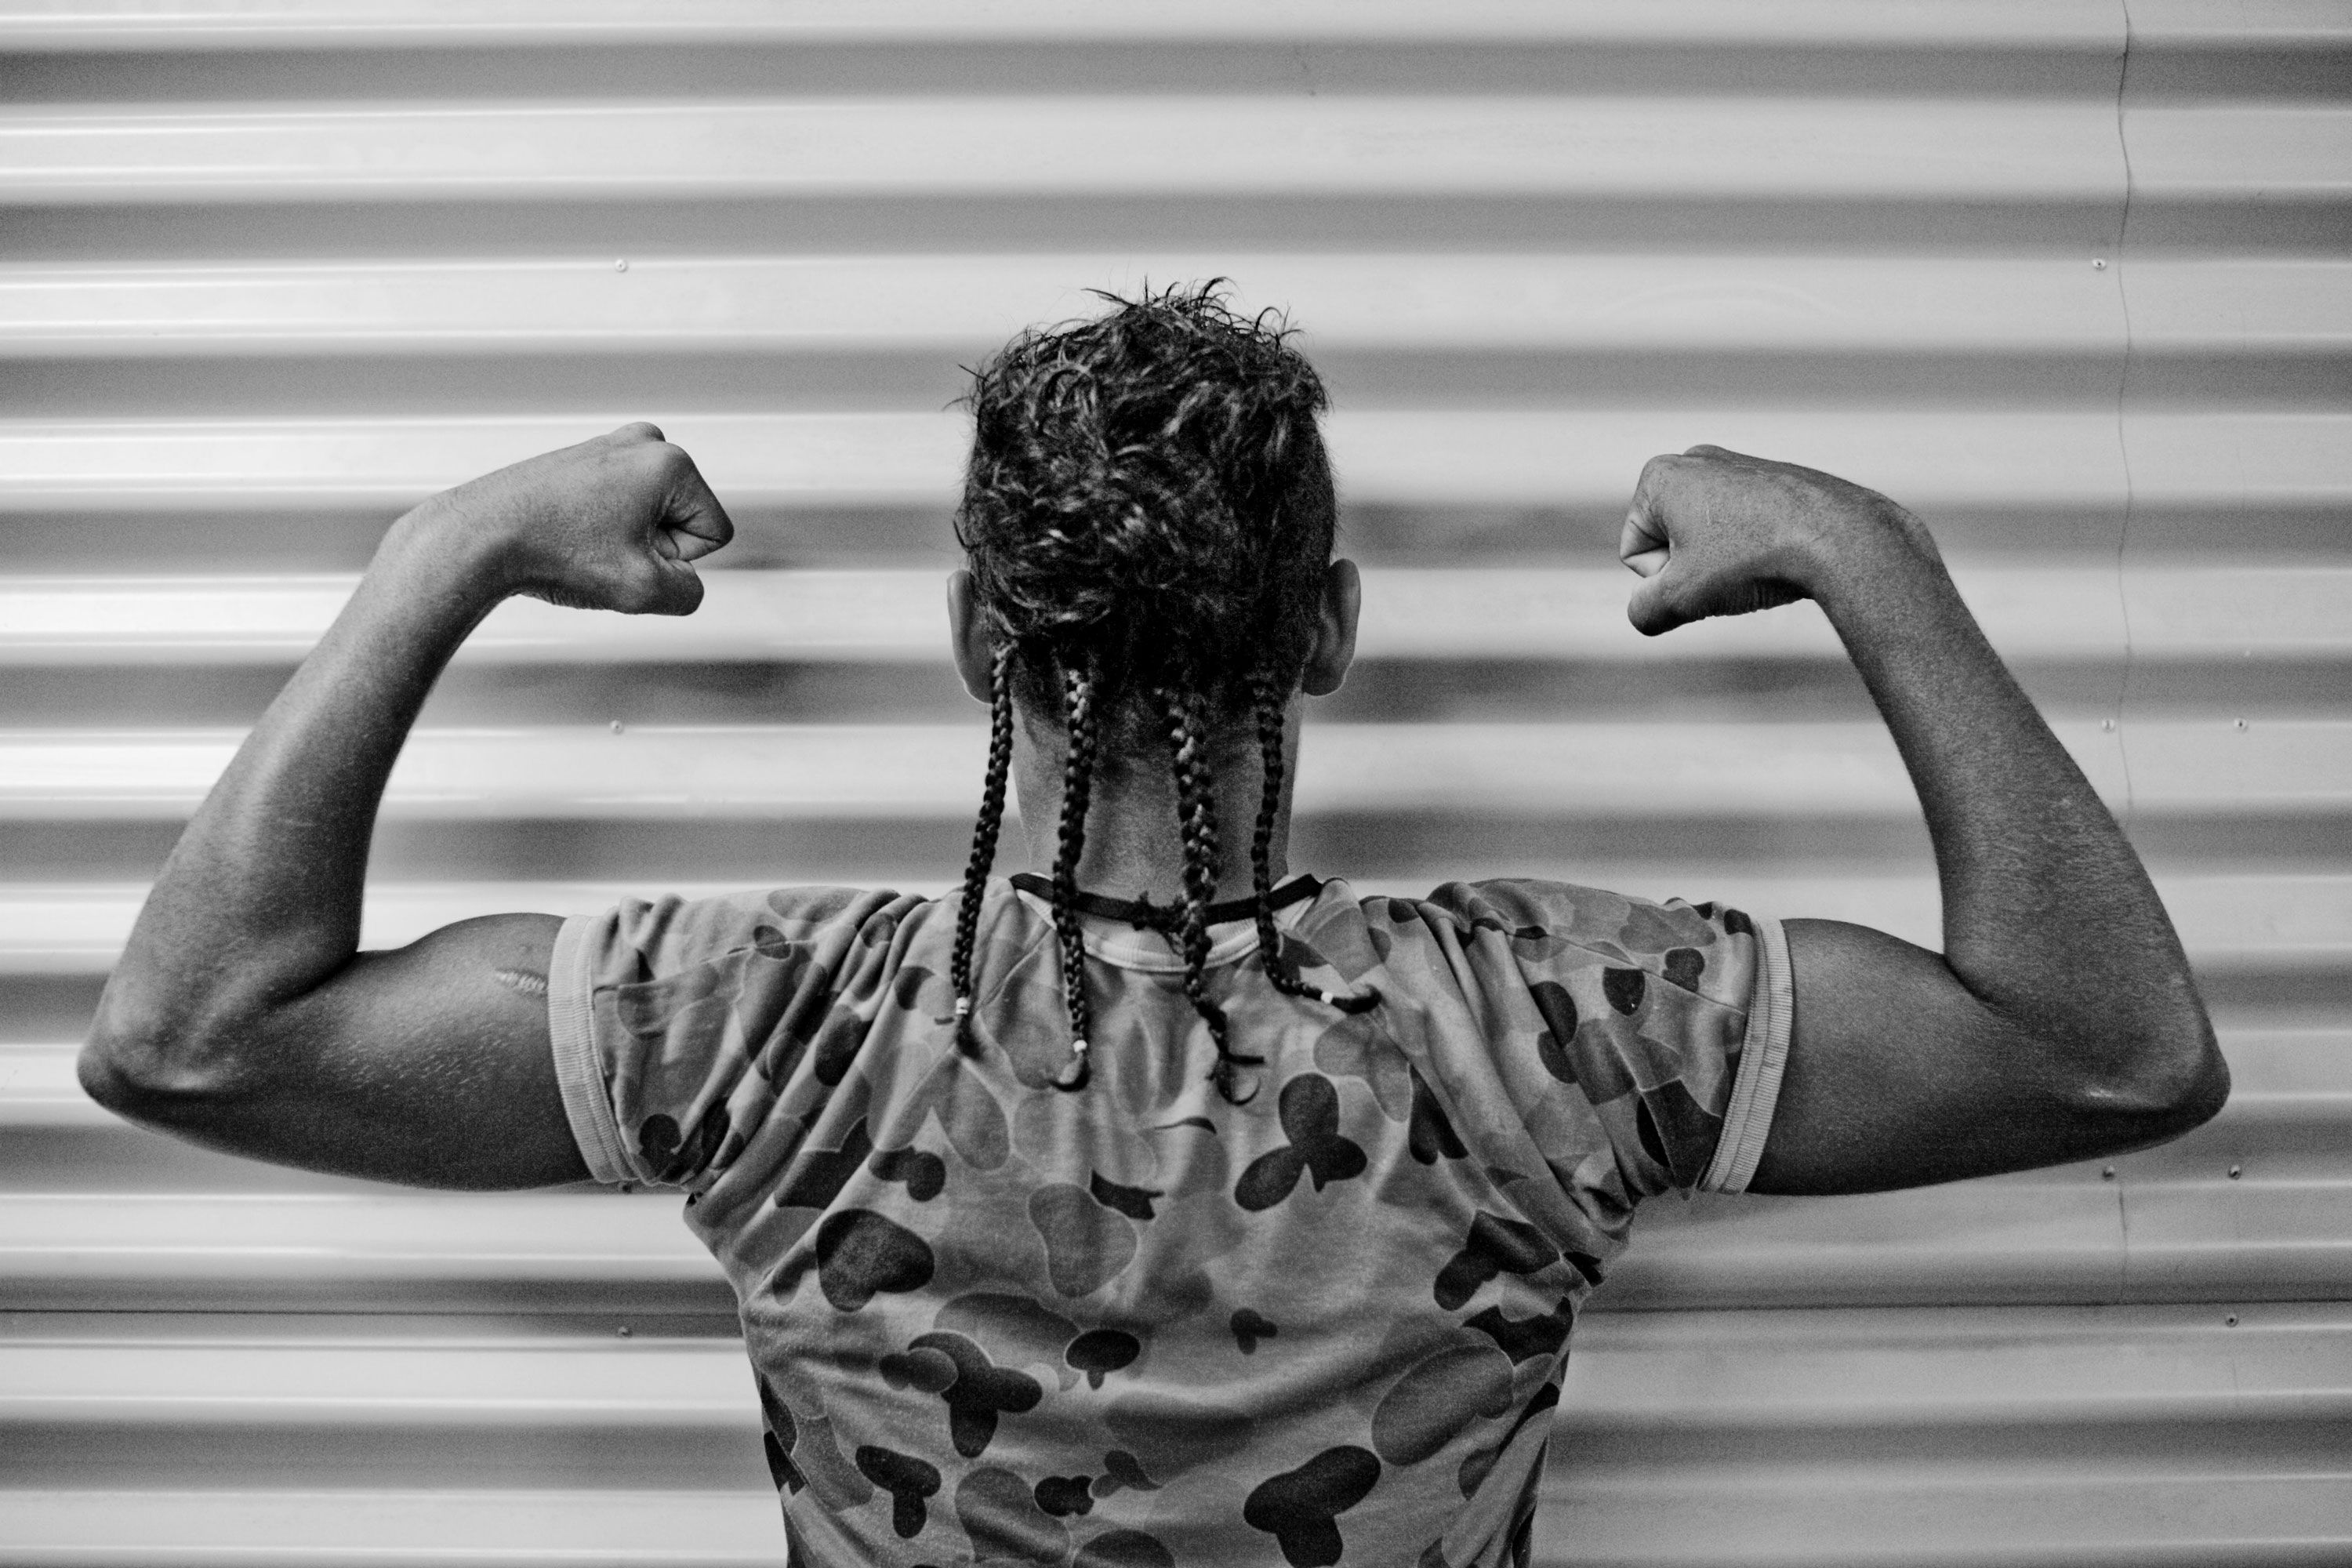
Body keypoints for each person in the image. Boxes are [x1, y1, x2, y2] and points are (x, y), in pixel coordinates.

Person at [82, 286, 2227, 1568]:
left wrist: (438, 551)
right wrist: (1873, 555)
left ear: (972, 643)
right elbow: (2109, 1049)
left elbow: (191, 1041)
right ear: (1333, 634)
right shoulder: (1554, 1024)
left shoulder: (758, 1023)